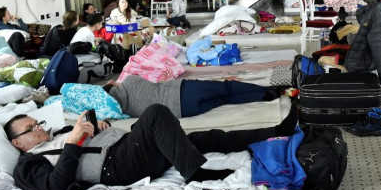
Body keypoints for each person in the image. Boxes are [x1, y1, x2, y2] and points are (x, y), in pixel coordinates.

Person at [5, 103, 300, 190]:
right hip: (116, 168)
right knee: (156, 113)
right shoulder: (27, 166)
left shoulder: (55, 134)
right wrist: (72, 143)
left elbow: (86, 144)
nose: (40, 129)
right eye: (31, 129)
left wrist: (98, 129)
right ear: (18, 143)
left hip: (124, 148)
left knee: (205, 137)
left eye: (38, 123)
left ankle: (277, 132)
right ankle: (193, 172)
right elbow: (56, 187)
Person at [105, 75, 283, 118]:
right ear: (113, 83)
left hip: (184, 111)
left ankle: (263, 97)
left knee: (226, 99)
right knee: (226, 86)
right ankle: (264, 90)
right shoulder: (129, 81)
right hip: (183, 90)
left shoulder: (121, 112)